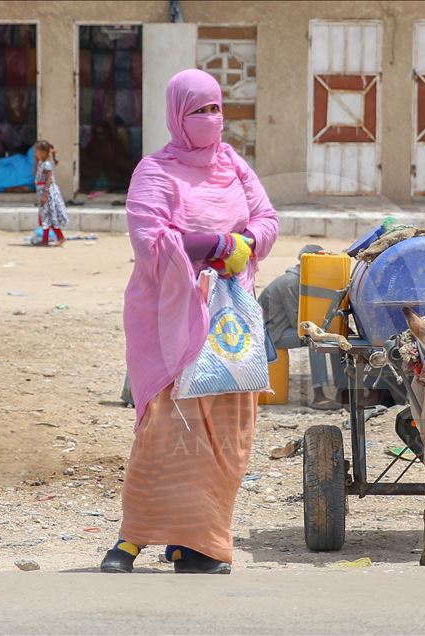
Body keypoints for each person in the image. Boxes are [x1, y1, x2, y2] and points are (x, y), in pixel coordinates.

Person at [100, 69, 278, 575]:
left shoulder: (233, 165)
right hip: (170, 314)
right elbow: (150, 241)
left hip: (228, 315)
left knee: (226, 429)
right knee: (166, 426)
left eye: (217, 108)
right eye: (199, 110)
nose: (211, 119)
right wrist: (212, 245)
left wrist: (245, 245)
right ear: (177, 114)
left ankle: (198, 544)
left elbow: (267, 219)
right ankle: (131, 539)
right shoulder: (155, 171)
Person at [258, 245, 347, 409]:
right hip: (270, 336)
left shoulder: (300, 280)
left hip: (280, 330)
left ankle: (342, 391)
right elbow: (297, 322)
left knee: (332, 337)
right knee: (314, 338)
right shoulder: (291, 283)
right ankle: (319, 395)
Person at [33, 140, 69, 246]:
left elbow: (49, 179)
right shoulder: (41, 164)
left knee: (50, 216)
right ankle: (45, 239)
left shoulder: (47, 164)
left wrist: (46, 194)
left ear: (44, 152)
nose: (35, 154)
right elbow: (35, 175)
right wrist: (36, 162)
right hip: (42, 192)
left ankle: (60, 237)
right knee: (45, 217)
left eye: (37, 151)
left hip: (48, 193)